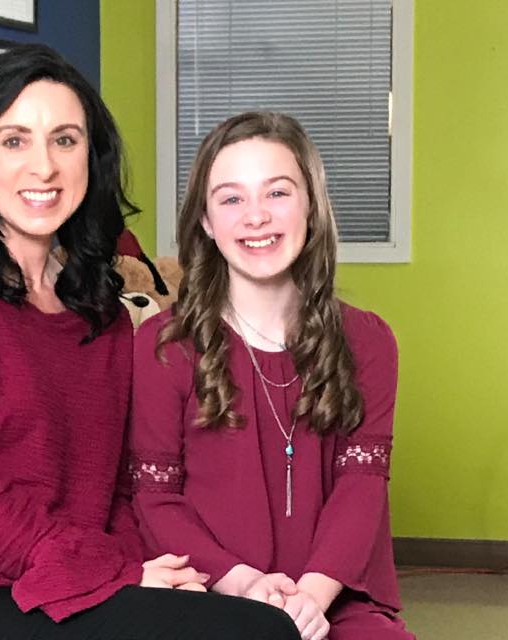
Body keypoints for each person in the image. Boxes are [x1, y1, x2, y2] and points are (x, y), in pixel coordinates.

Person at [0, 47, 301, 640]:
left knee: (256, 623)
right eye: (14, 141)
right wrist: (113, 573)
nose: (44, 167)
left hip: (58, 592)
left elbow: (115, 491)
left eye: (65, 140)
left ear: (92, 156)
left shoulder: (103, 312)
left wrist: (148, 570)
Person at [129, 112, 415, 640]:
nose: (256, 216)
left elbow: (361, 488)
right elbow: (155, 497)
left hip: (331, 595)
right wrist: (242, 585)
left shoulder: (370, 341)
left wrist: (310, 597)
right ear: (207, 224)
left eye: (277, 193)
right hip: (211, 590)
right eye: (232, 198)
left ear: (311, 206)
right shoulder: (164, 346)